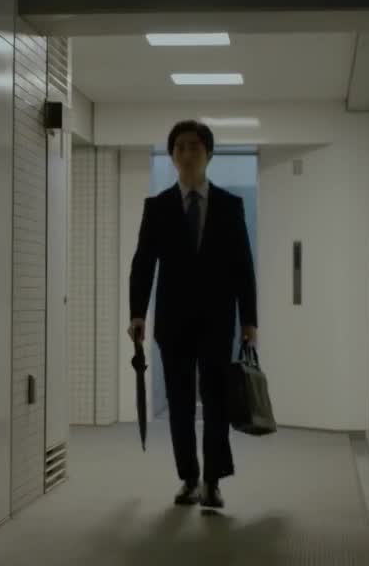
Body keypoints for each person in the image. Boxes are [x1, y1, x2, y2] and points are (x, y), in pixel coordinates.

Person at [127, 120, 258, 509]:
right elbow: (143, 263)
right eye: (180, 147)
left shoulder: (230, 206)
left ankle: (213, 481)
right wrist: (137, 313)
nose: (187, 153)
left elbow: (243, 267)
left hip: (218, 321)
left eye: (195, 146)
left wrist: (249, 320)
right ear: (172, 156)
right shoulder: (158, 207)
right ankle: (188, 477)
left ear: (209, 153)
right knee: (180, 405)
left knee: (216, 402)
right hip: (174, 323)